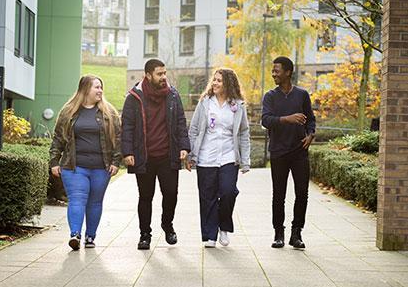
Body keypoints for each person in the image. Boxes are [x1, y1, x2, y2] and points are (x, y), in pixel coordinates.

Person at [121, 58, 190, 250]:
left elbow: (180, 122)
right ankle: (145, 235)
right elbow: (127, 126)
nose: (163, 77)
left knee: (171, 194)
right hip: (144, 157)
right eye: (159, 74)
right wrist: (127, 152)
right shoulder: (134, 97)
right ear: (148, 75)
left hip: (168, 156)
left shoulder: (173, 95)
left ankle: (167, 225)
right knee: (145, 196)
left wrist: (184, 146)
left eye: (164, 73)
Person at [49, 75, 121, 250]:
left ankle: (90, 236)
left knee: (95, 202)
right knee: (76, 199)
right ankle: (75, 234)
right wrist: (54, 162)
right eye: (96, 87)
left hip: (101, 167)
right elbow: (58, 138)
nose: (100, 91)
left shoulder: (109, 113)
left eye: (101, 87)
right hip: (74, 166)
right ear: (85, 89)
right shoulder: (68, 112)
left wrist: (116, 161)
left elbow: (118, 139)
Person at [188, 68, 250, 248]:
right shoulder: (205, 103)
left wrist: (245, 160)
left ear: (228, 84)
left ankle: (224, 225)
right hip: (206, 156)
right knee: (207, 197)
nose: (214, 83)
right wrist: (192, 155)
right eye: (214, 80)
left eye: (219, 81)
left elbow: (244, 132)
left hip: (229, 157)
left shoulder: (238, 106)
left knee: (228, 191)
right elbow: (193, 130)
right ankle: (209, 235)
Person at [261, 56, 316, 249]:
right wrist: (288, 119)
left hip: (299, 152)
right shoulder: (270, 96)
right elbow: (266, 120)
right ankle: (278, 233)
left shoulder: (302, 95)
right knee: (279, 195)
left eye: (277, 71)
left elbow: (311, 119)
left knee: (302, 193)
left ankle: (296, 233)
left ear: (288, 72)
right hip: (278, 152)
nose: (273, 74)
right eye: (273, 70)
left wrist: (311, 134)